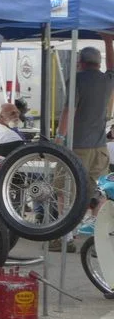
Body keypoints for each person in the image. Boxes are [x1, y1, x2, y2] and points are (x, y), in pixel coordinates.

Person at [53, 35, 114, 251]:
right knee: (96, 191)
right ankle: (96, 236)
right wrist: (108, 42)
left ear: (80, 62)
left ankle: (64, 237)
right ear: (98, 62)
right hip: (100, 147)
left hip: (76, 146)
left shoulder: (77, 80)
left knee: (64, 190)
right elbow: (112, 67)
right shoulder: (107, 81)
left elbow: (69, 110)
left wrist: (59, 137)